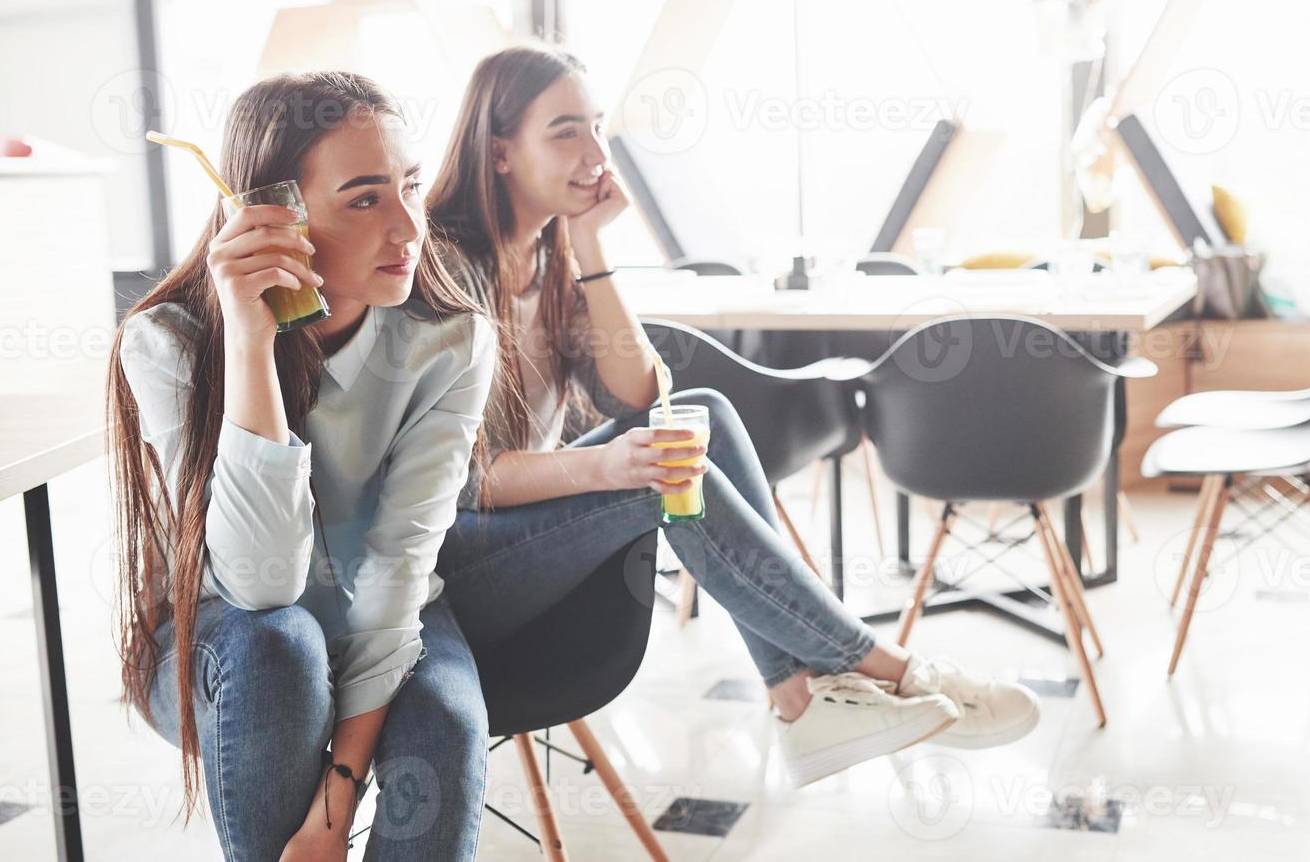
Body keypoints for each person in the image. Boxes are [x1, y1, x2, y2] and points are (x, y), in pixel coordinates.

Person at [428, 46, 1040, 788]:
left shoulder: (550, 255)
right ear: (498, 151)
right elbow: (460, 482)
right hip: (456, 562)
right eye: (564, 132)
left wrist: (590, 247)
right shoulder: (442, 270)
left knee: (699, 411)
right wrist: (604, 465)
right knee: (660, 474)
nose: (594, 154)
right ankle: (888, 669)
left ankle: (794, 696)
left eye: (595, 127)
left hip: (527, 528)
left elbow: (640, 389)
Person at [108, 72, 496, 861]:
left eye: (410, 188)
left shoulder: (448, 341)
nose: (407, 228)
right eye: (363, 199)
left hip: (385, 613)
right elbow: (259, 587)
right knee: (280, 646)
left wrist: (335, 802)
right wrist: (251, 341)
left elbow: (398, 571)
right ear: (267, 217)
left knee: (444, 729)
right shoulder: (169, 343)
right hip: (222, 635)